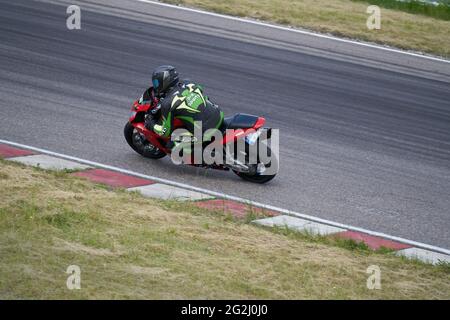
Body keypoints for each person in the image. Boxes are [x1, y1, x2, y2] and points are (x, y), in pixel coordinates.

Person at [142, 65, 224, 150]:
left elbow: (165, 132)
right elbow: (201, 91)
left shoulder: (167, 103)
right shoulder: (189, 83)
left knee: (172, 144)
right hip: (218, 114)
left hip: (205, 132)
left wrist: (151, 125)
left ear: (165, 81)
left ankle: (201, 160)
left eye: (156, 83)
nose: (156, 86)